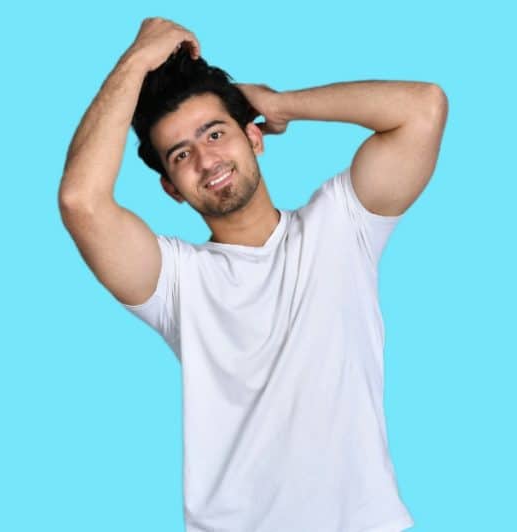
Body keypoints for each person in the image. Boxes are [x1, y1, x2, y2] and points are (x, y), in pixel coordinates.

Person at [58, 17, 447, 532]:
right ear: (172, 188)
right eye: (181, 155)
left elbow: (424, 108)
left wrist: (281, 104)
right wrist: (138, 59)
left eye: (214, 133)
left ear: (253, 138)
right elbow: (80, 200)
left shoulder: (341, 226)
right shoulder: (178, 282)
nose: (206, 159)